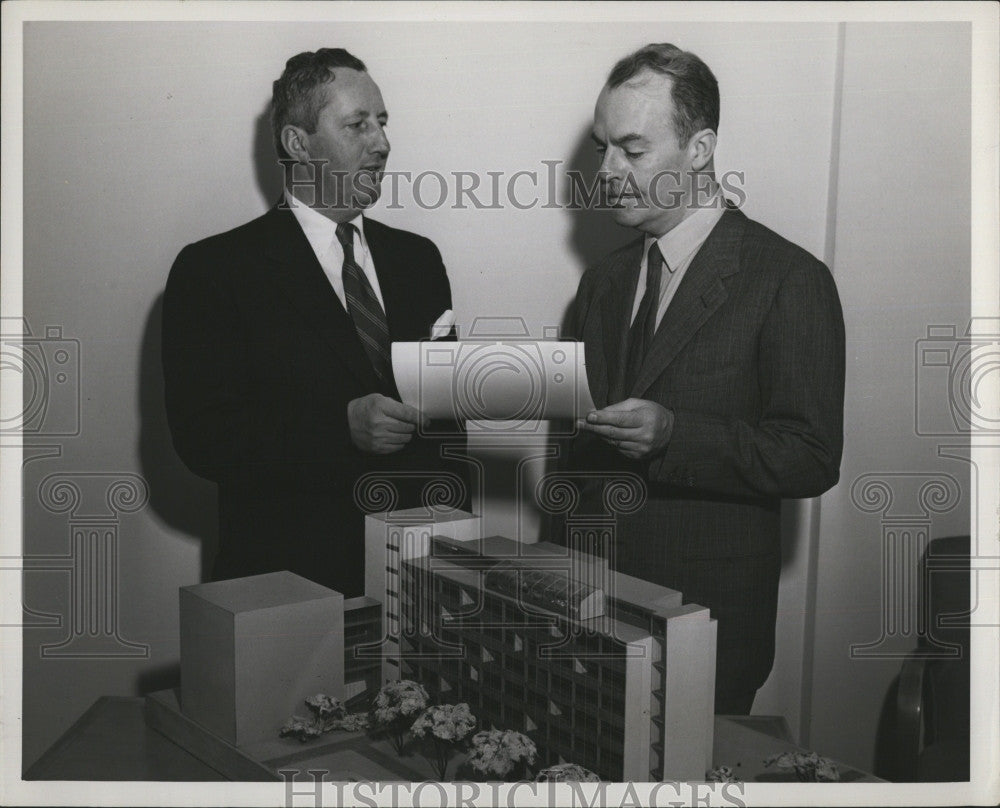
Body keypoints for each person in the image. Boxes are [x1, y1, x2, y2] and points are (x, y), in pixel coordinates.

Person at [567, 43, 845, 714]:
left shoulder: (789, 278)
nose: (606, 172)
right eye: (604, 148)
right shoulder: (602, 283)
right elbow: (575, 455)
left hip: (706, 629)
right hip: (585, 625)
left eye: (631, 151)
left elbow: (809, 457)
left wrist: (674, 436)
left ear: (700, 150)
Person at [162, 48, 463, 597]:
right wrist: (338, 427)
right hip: (288, 590)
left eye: (382, 123)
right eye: (357, 125)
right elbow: (202, 438)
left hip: (418, 586)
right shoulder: (216, 269)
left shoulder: (418, 259)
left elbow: (448, 427)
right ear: (298, 144)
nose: (382, 143)